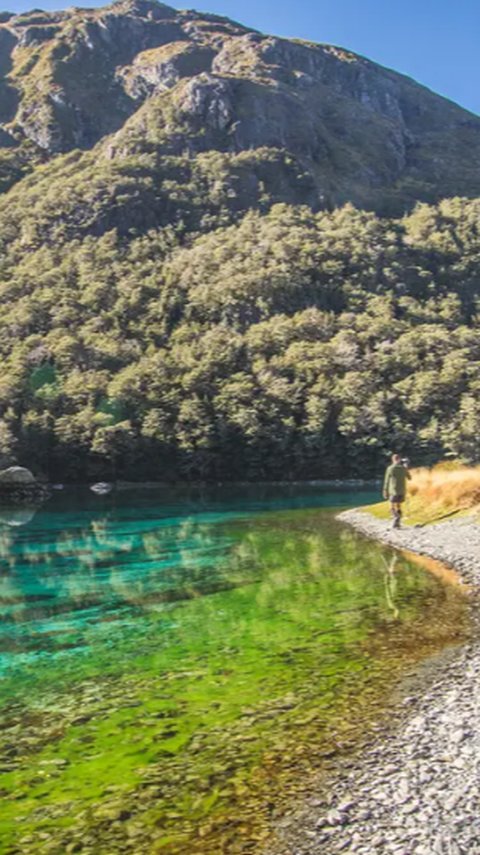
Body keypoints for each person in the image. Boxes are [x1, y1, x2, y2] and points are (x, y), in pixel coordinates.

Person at [383, 454, 411, 529]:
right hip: (402, 491)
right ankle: (398, 523)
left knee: (391, 506)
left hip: (393, 491)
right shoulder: (403, 468)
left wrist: (385, 490)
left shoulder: (390, 468)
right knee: (398, 506)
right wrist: (406, 468)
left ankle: (396, 518)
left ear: (393, 460)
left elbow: (386, 480)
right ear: (399, 459)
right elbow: (409, 478)